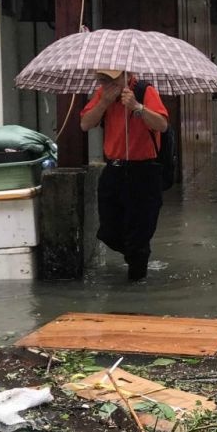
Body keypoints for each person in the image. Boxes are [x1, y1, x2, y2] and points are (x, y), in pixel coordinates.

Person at [79, 69, 170, 282]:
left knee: (139, 235)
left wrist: (137, 107)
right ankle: (132, 251)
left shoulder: (144, 91)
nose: (105, 84)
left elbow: (162, 125)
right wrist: (103, 103)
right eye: (101, 81)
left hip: (144, 171)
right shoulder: (103, 94)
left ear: (124, 76)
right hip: (114, 169)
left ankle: (136, 286)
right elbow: (85, 124)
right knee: (108, 232)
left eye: (109, 80)